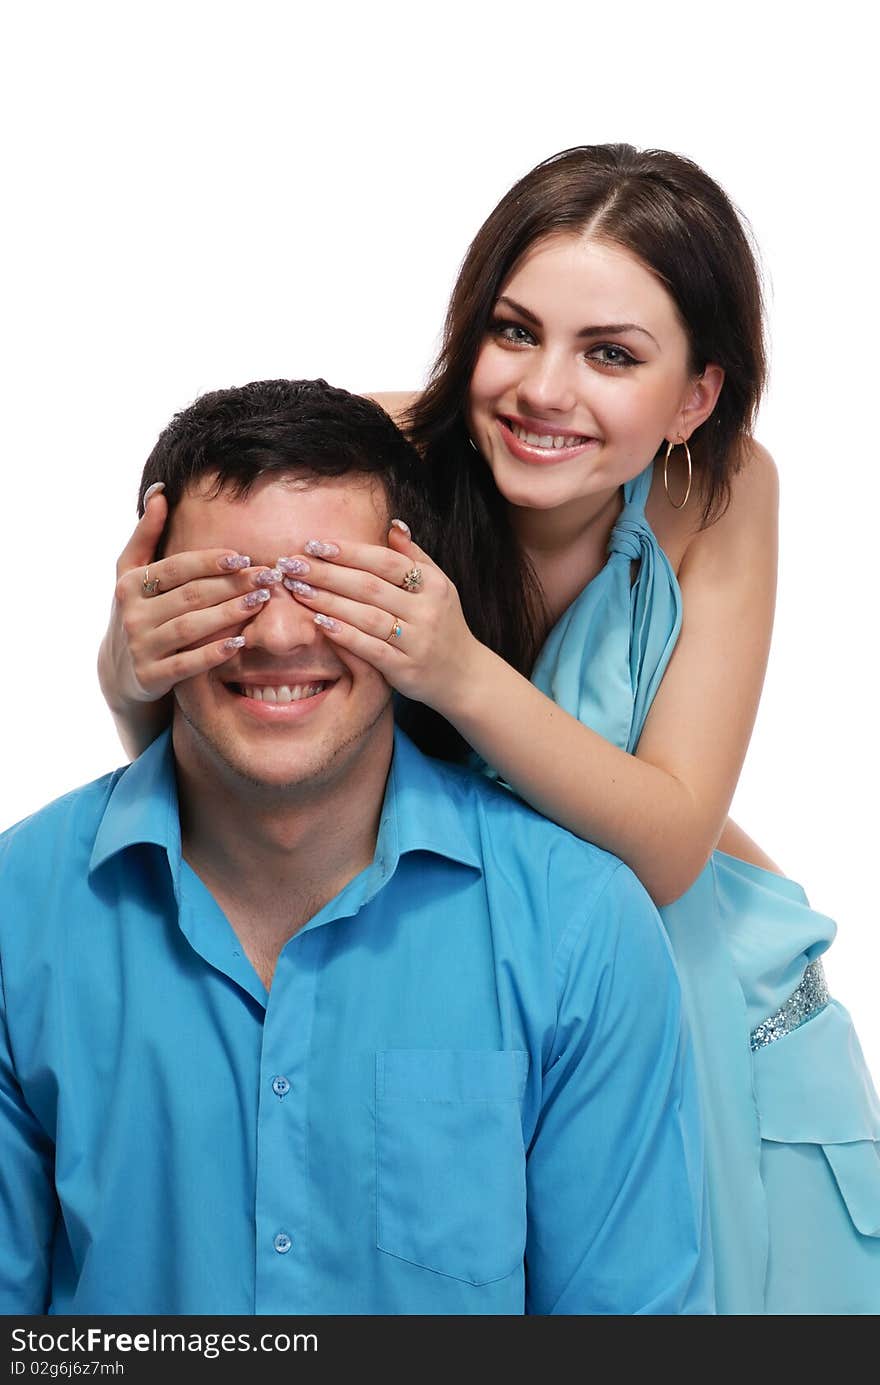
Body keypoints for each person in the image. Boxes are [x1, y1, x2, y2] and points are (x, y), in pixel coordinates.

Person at [97, 145, 880, 1315]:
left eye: (610, 353)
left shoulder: (722, 489)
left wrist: (457, 671)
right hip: (459, 980)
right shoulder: (371, 455)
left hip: (704, 990)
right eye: (514, 332)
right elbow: (235, 744)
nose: (543, 389)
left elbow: (667, 847)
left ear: (695, 396)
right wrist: (123, 669)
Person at [0, 378, 713, 1316]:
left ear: (418, 605)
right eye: (229, 587)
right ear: (149, 606)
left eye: (330, 583)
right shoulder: (22, 912)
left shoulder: (580, 928)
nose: (281, 634)